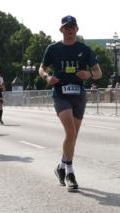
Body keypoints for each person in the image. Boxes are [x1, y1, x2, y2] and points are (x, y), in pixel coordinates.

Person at [39, 15, 102, 191]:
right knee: (70, 131)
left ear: (77, 29)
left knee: (73, 136)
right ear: (61, 30)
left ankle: (61, 166)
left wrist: (89, 74)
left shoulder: (84, 49)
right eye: (67, 27)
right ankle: (69, 173)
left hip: (78, 95)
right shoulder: (53, 49)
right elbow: (42, 68)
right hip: (60, 94)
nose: (70, 30)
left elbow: (98, 72)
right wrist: (47, 77)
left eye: (73, 27)